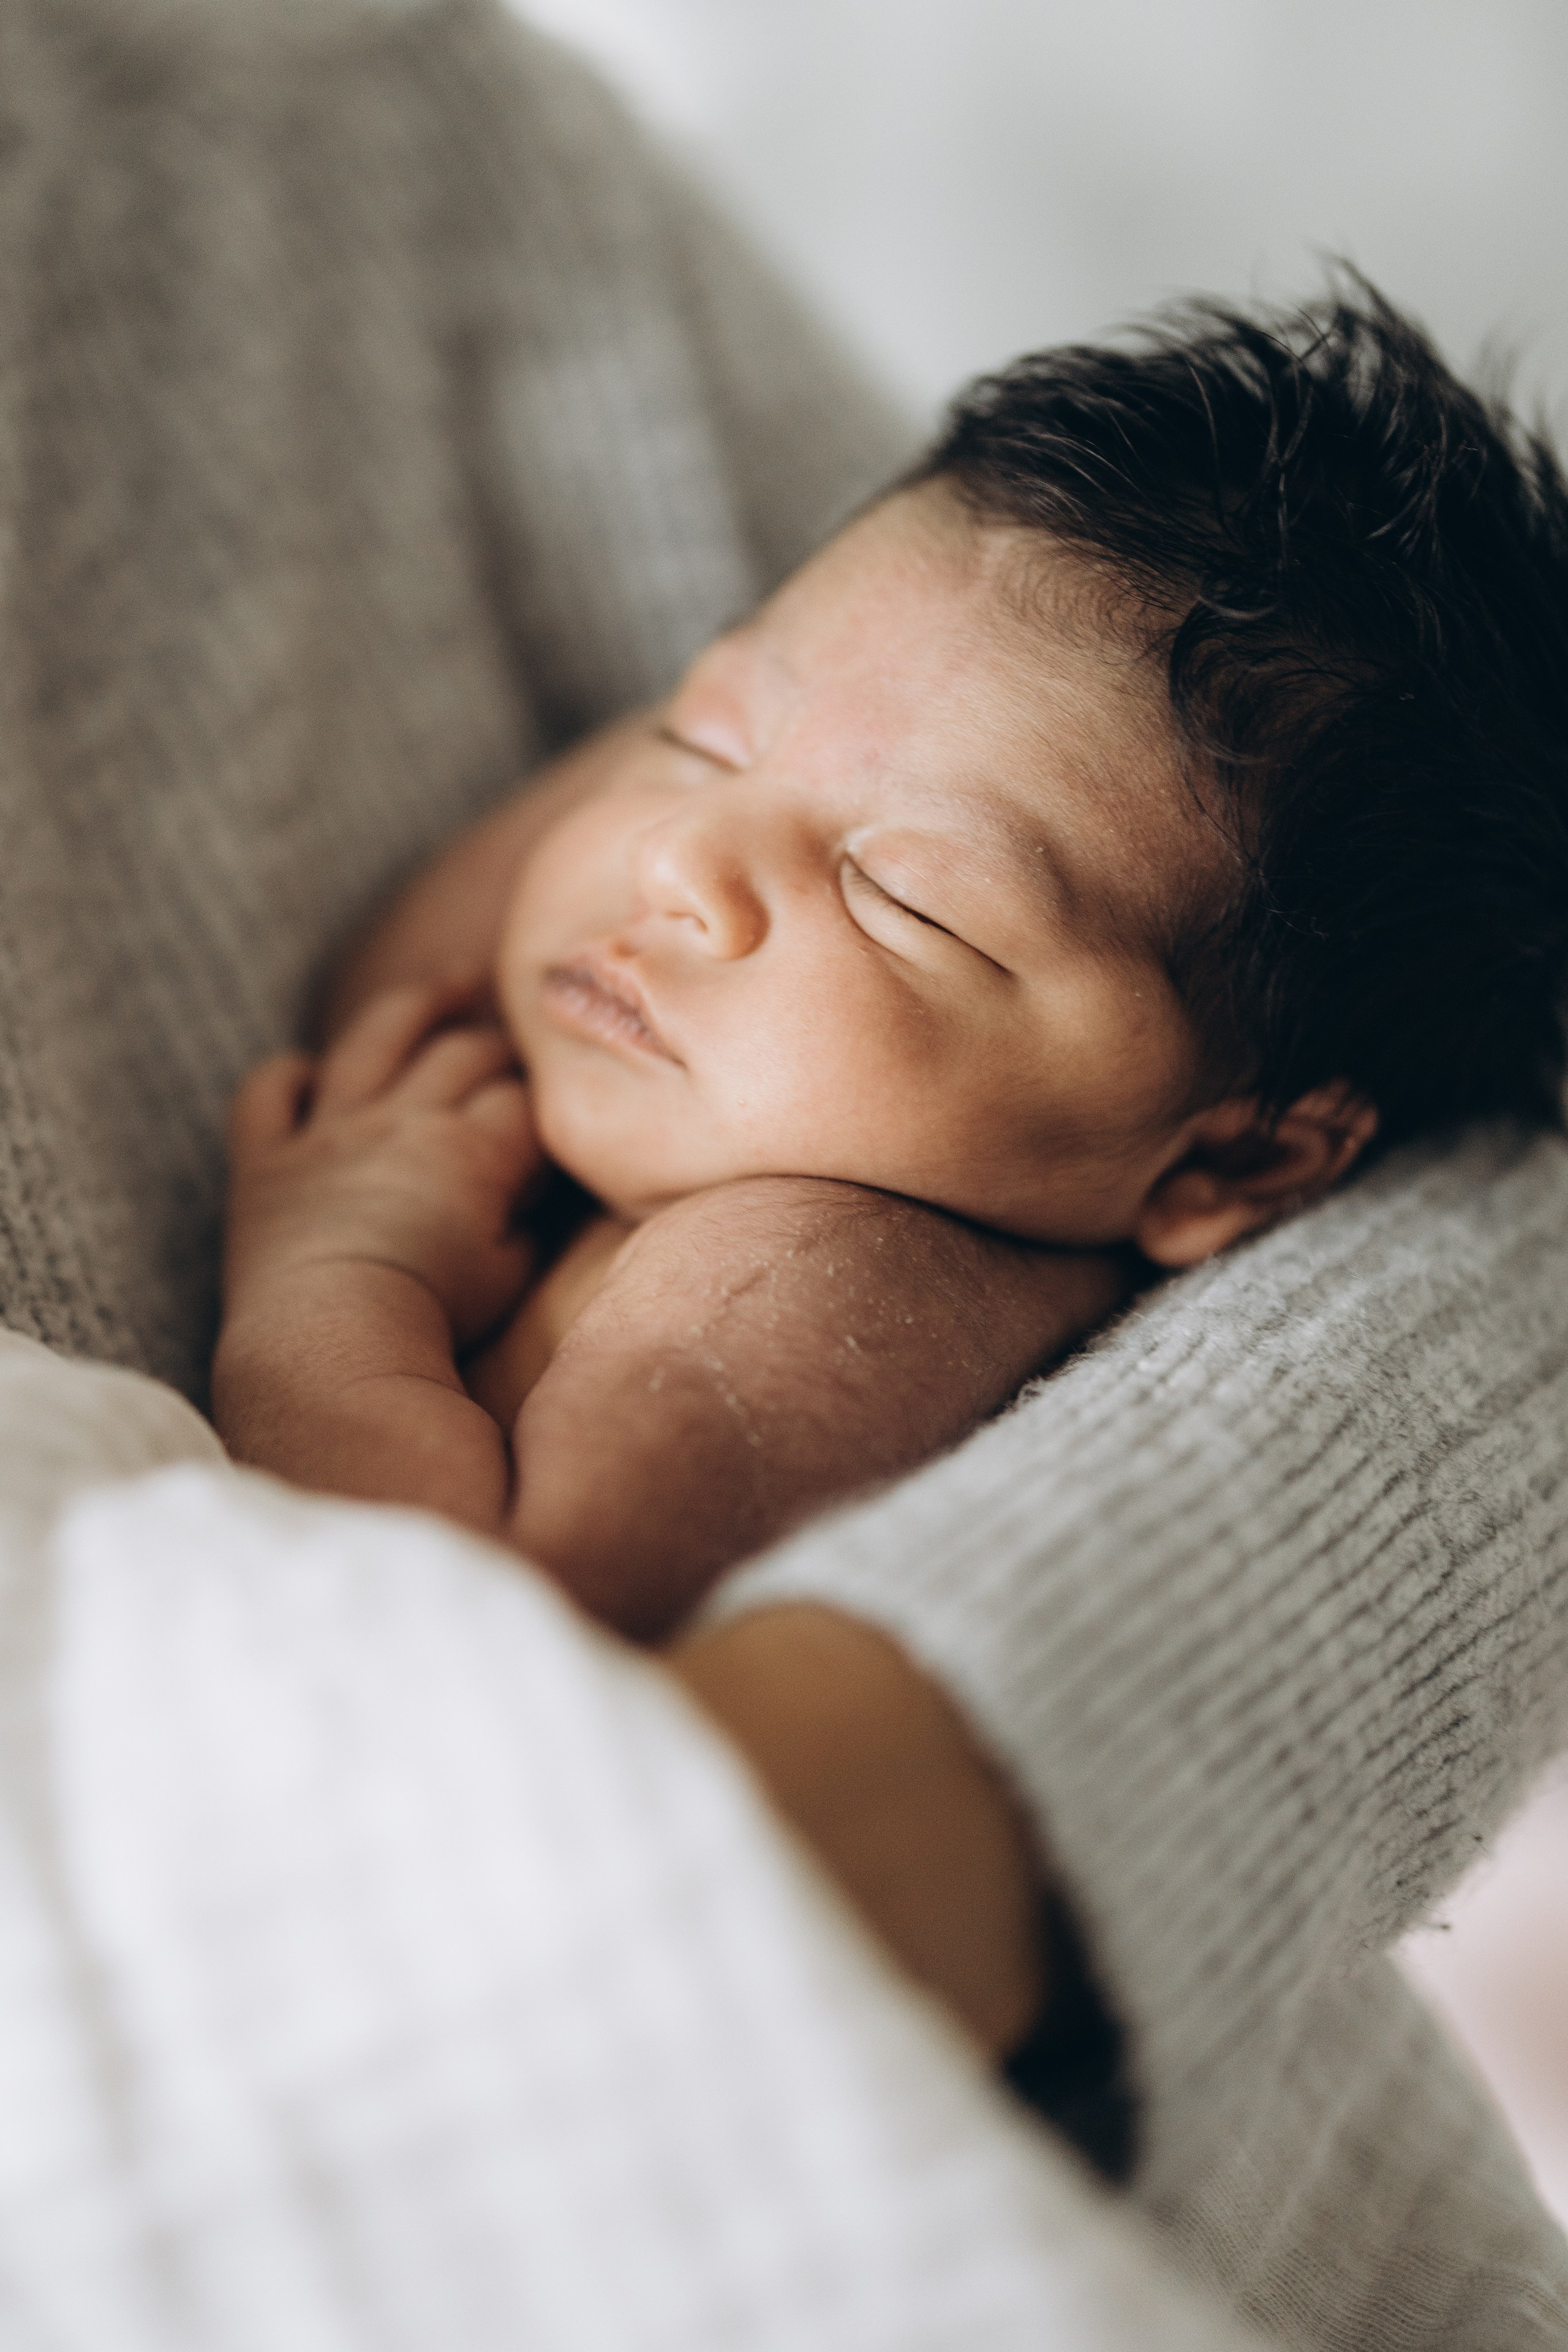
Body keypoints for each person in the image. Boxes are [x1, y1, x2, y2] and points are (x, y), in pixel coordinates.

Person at [4, 2, 1568, 2344]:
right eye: (691, 725)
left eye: (912, 900)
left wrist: (327, 1279)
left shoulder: (782, 1299)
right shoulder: (832, 1063)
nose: (680, 872)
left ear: (1236, 1157)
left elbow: (446, 1659)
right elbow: (470, 942)